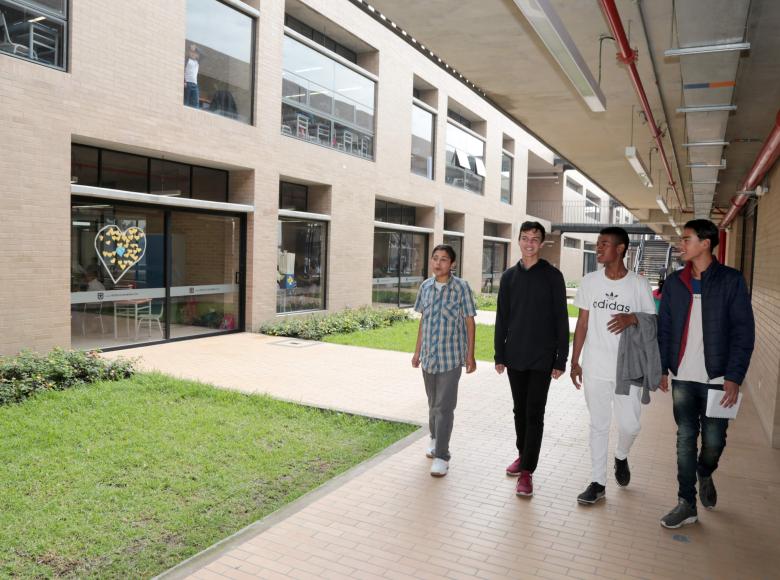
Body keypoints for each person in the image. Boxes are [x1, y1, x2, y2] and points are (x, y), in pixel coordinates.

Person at [657, 220, 754, 528]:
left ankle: (705, 472)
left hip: (717, 379)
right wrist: (661, 367)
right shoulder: (674, 283)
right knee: (685, 438)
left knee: (713, 441)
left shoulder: (731, 281)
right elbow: (665, 328)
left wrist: (734, 376)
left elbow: (743, 332)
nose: (681, 244)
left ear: (706, 244)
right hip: (683, 376)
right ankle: (686, 502)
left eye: (687, 239)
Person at [571, 227, 656, 504]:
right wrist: (575, 361)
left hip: (627, 370)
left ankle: (621, 455)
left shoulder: (638, 284)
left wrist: (633, 318)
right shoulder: (590, 281)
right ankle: (598, 482)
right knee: (598, 425)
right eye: (598, 244)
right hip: (595, 366)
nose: (598, 249)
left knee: (630, 425)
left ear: (620, 249)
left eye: (604, 244)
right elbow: (582, 323)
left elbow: (653, 323)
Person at [494, 221, 569, 497]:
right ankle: (522, 453)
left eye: (534, 239)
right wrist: (499, 354)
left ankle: (527, 472)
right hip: (515, 355)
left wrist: (561, 359)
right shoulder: (509, 277)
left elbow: (562, 319)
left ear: (542, 242)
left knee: (534, 413)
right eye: (524, 238)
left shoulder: (552, 276)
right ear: (518, 240)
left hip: (542, 358)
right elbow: (502, 318)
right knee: (519, 410)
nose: (529, 243)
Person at [412, 244, 477, 477]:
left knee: (444, 406)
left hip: (451, 357)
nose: (438, 263)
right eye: (435, 258)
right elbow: (423, 321)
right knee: (432, 404)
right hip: (429, 356)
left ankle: (442, 456)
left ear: (453, 264)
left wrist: (470, 355)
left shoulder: (461, 288)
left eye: (444, 259)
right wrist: (417, 351)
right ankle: (434, 436)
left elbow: (470, 321)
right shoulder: (425, 287)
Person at [184, 43, 201, 108]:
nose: (193, 54)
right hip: (187, 83)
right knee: (186, 102)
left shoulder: (197, 62)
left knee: (195, 104)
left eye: (195, 53)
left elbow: (204, 55)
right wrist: (184, 81)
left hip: (195, 84)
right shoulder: (187, 60)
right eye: (192, 52)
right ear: (189, 52)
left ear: (197, 55)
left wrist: (196, 48)